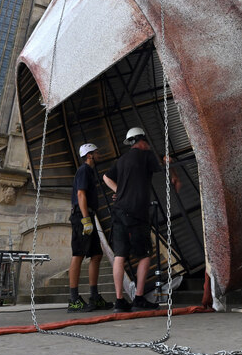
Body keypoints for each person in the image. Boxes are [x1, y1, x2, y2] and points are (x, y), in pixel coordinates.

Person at [103, 127, 180, 313]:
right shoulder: (146, 156)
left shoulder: (121, 160)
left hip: (119, 211)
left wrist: (118, 191)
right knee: (145, 255)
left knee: (120, 256)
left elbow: (105, 177)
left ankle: (120, 301)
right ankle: (138, 297)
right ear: (143, 140)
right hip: (137, 213)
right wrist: (171, 167)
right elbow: (165, 166)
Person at [67, 143, 109, 312]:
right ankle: (74, 299)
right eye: (97, 152)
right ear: (89, 155)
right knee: (78, 254)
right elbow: (80, 194)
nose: (99, 154)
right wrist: (85, 219)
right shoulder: (84, 170)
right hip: (81, 216)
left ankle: (94, 296)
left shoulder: (90, 172)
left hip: (87, 215)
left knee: (97, 254)